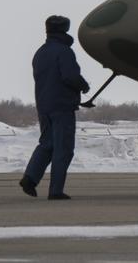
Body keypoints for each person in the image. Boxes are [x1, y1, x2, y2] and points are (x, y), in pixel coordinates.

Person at [19, 15, 90, 200]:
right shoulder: (64, 51)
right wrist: (83, 84)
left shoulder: (40, 52)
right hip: (62, 106)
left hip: (44, 105)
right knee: (63, 148)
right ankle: (55, 190)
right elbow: (69, 76)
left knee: (47, 144)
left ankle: (30, 178)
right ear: (65, 29)